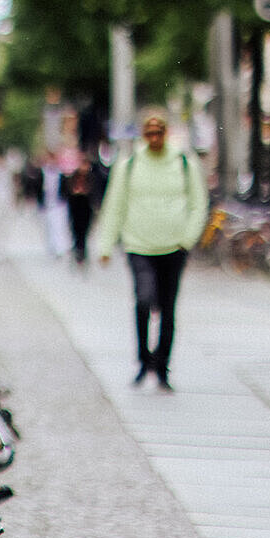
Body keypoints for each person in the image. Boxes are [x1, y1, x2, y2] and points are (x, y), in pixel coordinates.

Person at [94, 107, 208, 391]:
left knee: (168, 307)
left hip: (174, 246)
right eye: (149, 133)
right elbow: (114, 206)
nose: (154, 138)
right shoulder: (130, 164)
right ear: (143, 135)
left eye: (159, 132)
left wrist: (187, 239)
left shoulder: (184, 162)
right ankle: (144, 359)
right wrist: (105, 245)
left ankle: (162, 365)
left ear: (167, 133)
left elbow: (198, 204)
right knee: (144, 300)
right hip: (139, 245)